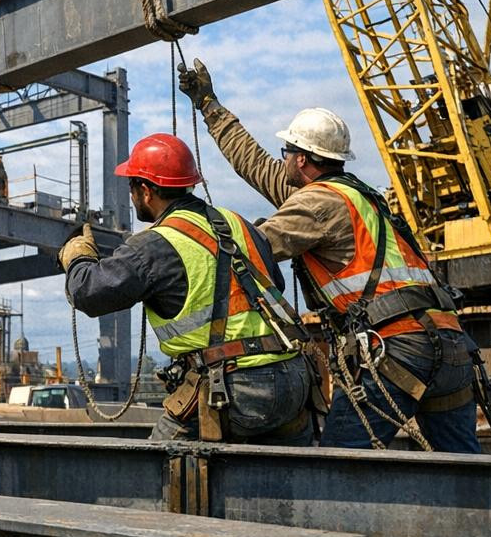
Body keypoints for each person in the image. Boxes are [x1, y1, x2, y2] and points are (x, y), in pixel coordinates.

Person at [178, 58, 484, 452]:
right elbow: (253, 163)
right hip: (451, 341)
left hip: (399, 346)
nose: (282, 158)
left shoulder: (318, 205)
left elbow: (253, 252)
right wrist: (209, 105)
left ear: (301, 158)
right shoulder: (354, 195)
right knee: (464, 468)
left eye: (286, 151)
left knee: (342, 464)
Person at [60, 133, 313, 445]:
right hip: (294, 377)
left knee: (156, 474)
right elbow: (275, 283)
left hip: (235, 388)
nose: (131, 195)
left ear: (145, 190)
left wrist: (78, 256)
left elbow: (88, 292)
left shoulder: (154, 244)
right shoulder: (239, 223)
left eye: (132, 187)